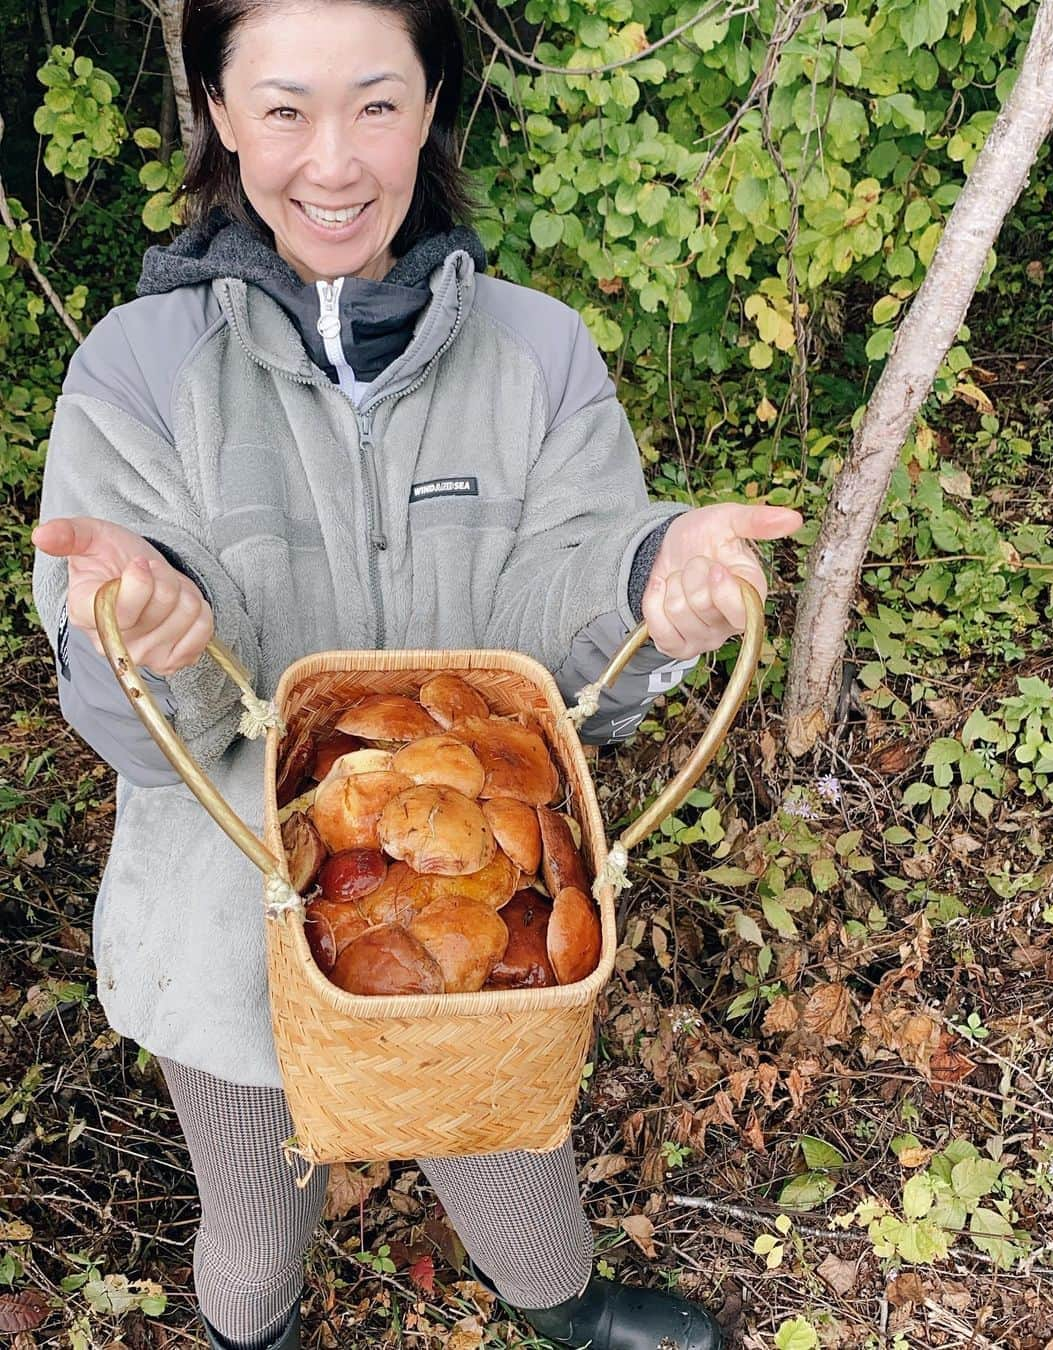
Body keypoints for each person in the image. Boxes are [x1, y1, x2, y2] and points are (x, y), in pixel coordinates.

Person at [30, 1, 802, 1346]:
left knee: (512, 1167)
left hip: (483, 936)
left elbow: (560, 632)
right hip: (221, 937)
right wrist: (150, 631)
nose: (333, 160)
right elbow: (141, 730)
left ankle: (563, 1304)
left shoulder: (537, 353)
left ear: (433, 102)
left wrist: (646, 583)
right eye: (283, 107)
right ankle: (250, 1326)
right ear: (216, 113)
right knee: (256, 1229)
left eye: (376, 102)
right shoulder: (138, 372)